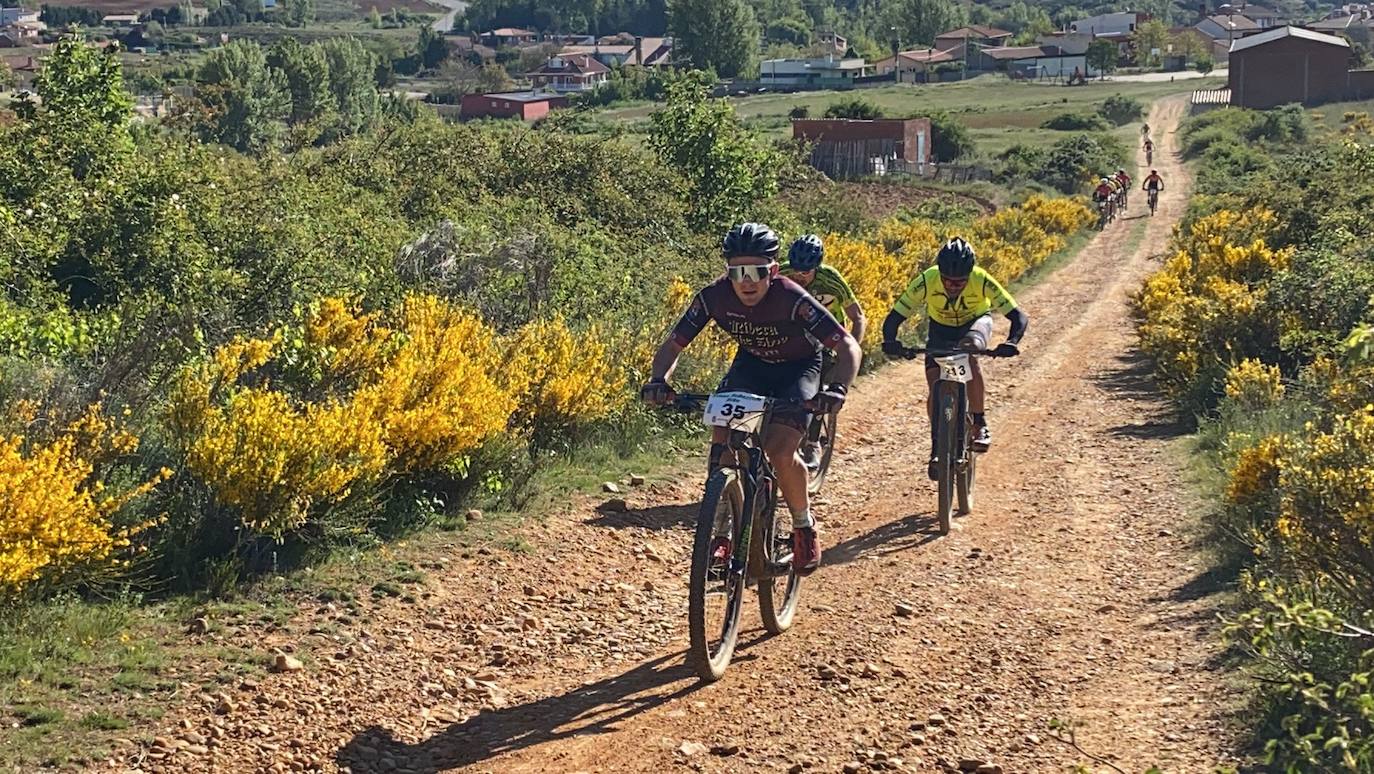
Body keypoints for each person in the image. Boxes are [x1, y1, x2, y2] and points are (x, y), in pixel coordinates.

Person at [642, 223, 863, 575]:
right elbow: (674, 344)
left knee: (778, 450)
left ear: (772, 272)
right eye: (737, 272)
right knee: (722, 439)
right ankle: (722, 528)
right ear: (727, 272)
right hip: (752, 366)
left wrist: (836, 388)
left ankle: (803, 525)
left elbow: (847, 345)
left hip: (799, 370)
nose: (746, 281)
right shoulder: (714, 297)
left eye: (756, 272)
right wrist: (658, 380)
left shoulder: (792, 297)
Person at [879, 237, 1029, 480]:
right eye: (947, 280)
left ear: (970, 274)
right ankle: (938, 444)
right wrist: (891, 342)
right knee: (935, 383)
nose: (952, 285)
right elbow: (896, 315)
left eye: (960, 281)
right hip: (941, 329)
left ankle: (979, 423)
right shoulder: (928, 279)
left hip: (975, 323)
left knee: (969, 353)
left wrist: (1011, 342)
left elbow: (1018, 316)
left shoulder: (980, 279)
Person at [780, 234, 866, 467]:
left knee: (819, 389)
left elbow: (857, 316)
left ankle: (813, 443)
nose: (800, 276)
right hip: (795, 335)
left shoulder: (831, 279)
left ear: (817, 267)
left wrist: (851, 351)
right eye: (797, 270)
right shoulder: (783, 273)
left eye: (806, 272)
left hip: (827, 338)